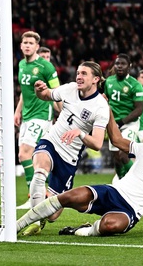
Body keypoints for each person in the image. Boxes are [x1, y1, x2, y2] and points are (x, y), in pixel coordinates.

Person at [0, 112, 143, 237]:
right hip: (112, 192)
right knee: (69, 197)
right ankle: (14, 227)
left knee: (110, 226)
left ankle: (82, 231)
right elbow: (116, 140)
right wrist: (107, 112)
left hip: (130, 210)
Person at [22, 60, 109, 235]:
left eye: (84, 73)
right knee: (39, 173)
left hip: (69, 156)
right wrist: (40, 90)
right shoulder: (69, 89)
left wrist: (81, 133)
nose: (79, 76)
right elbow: (47, 95)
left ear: (96, 79)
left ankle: (42, 210)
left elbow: (98, 144)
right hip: (51, 141)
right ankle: (34, 222)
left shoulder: (101, 107)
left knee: (53, 215)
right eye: (78, 73)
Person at [14, 32, 61, 209]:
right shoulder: (21, 65)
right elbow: (23, 93)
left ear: (36, 47)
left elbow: (57, 93)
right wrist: (17, 112)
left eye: (30, 43)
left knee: (24, 153)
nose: (27, 45)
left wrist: (62, 114)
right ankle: (44, 194)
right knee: (32, 157)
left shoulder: (46, 67)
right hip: (27, 116)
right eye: (24, 42)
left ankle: (34, 197)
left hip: (41, 116)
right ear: (21, 46)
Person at [104, 54, 143, 180]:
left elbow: (139, 109)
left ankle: (136, 181)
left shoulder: (135, 85)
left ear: (129, 67)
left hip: (129, 123)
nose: (119, 66)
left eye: (123, 64)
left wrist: (121, 122)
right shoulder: (109, 81)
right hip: (113, 124)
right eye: (117, 64)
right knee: (116, 159)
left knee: (123, 155)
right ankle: (122, 183)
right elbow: (105, 100)